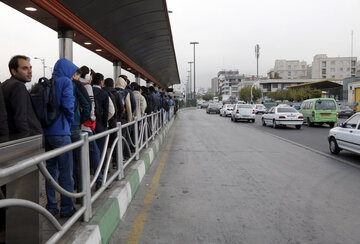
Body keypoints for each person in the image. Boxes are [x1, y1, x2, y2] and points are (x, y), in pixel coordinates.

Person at [43, 58, 76, 218]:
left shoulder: (49, 82)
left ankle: (51, 205)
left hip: (47, 133)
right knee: (66, 171)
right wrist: (67, 123)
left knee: (51, 171)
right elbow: (69, 106)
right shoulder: (65, 82)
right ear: (67, 70)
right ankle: (66, 207)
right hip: (61, 133)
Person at [2, 55, 42, 139]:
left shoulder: (5, 84)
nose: (30, 71)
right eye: (25, 68)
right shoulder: (18, 86)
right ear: (14, 71)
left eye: (30, 67)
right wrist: (26, 140)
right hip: (27, 139)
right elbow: (20, 117)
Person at [78, 66, 103, 190]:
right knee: (95, 153)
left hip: (74, 127)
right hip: (86, 126)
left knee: (77, 156)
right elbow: (90, 106)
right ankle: (99, 179)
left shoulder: (74, 83)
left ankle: (79, 185)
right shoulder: (87, 86)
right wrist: (91, 120)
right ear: (88, 76)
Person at [70, 69, 91, 196]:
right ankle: (81, 193)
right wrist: (81, 119)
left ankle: (56, 202)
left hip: (59, 128)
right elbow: (87, 105)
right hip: (75, 126)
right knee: (79, 160)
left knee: (63, 163)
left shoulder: (53, 83)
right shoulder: (75, 85)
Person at [103, 78, 124, 167]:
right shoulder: (117, 94)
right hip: (113, 121)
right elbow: (121, 107)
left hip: (103, 122)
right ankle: (115, 162)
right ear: (112, 85)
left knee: (104, 144)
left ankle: (104, 165)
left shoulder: (101, 92)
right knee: (115, 142)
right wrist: (117, 118)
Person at [92, 73, 110, 169]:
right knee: (102, 148)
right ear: (101, 81)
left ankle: (92, 168)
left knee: (91, 148)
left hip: (89, 124)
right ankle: (102, 169)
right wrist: (104, 124)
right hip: (100, 124)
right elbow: (107, 111)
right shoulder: (103, 93)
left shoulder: (88, 90)